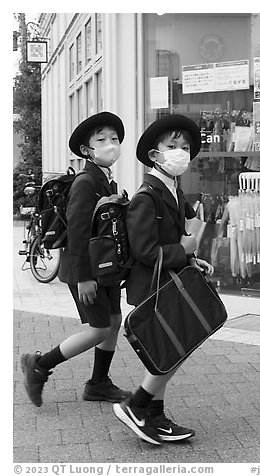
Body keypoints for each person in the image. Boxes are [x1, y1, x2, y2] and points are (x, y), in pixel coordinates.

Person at [113, 114, 214, 445]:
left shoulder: (172, 188)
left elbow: (172, 239)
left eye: (185, 146)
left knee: (170, 349)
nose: (181, 152)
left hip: (168, 281)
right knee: (172, 349)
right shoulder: (147, 196)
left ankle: (154, 416)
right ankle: (137, 405)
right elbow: (145, 250)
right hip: (151, 286)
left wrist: (191, 258)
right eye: (172, 146)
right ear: (154, 156)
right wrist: (181, 249)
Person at [21, 112, 132, 407]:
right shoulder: (86, 181)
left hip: (103, 269)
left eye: (115, 139)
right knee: (98, 329)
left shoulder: (105, 179)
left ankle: (98, 384)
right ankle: (40, 365)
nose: (111, 144)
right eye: (102, 139)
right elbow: (79, 231)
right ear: (86, 150)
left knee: (113, 321)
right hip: (86, 270)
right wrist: (85, 277)